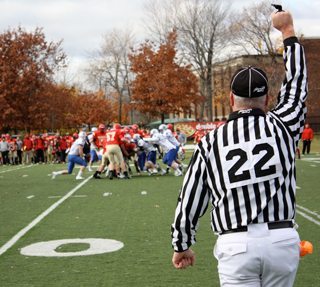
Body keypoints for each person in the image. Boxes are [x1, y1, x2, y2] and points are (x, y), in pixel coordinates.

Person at [171, 10, 307, 287]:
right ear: (268, 98)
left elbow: (191, 197)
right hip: (282, 239)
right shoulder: (284, 125)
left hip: (236, 244)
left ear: (231, 98)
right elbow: (296, 86)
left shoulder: (210, 141)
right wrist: (287, 31)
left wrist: (182, 243)